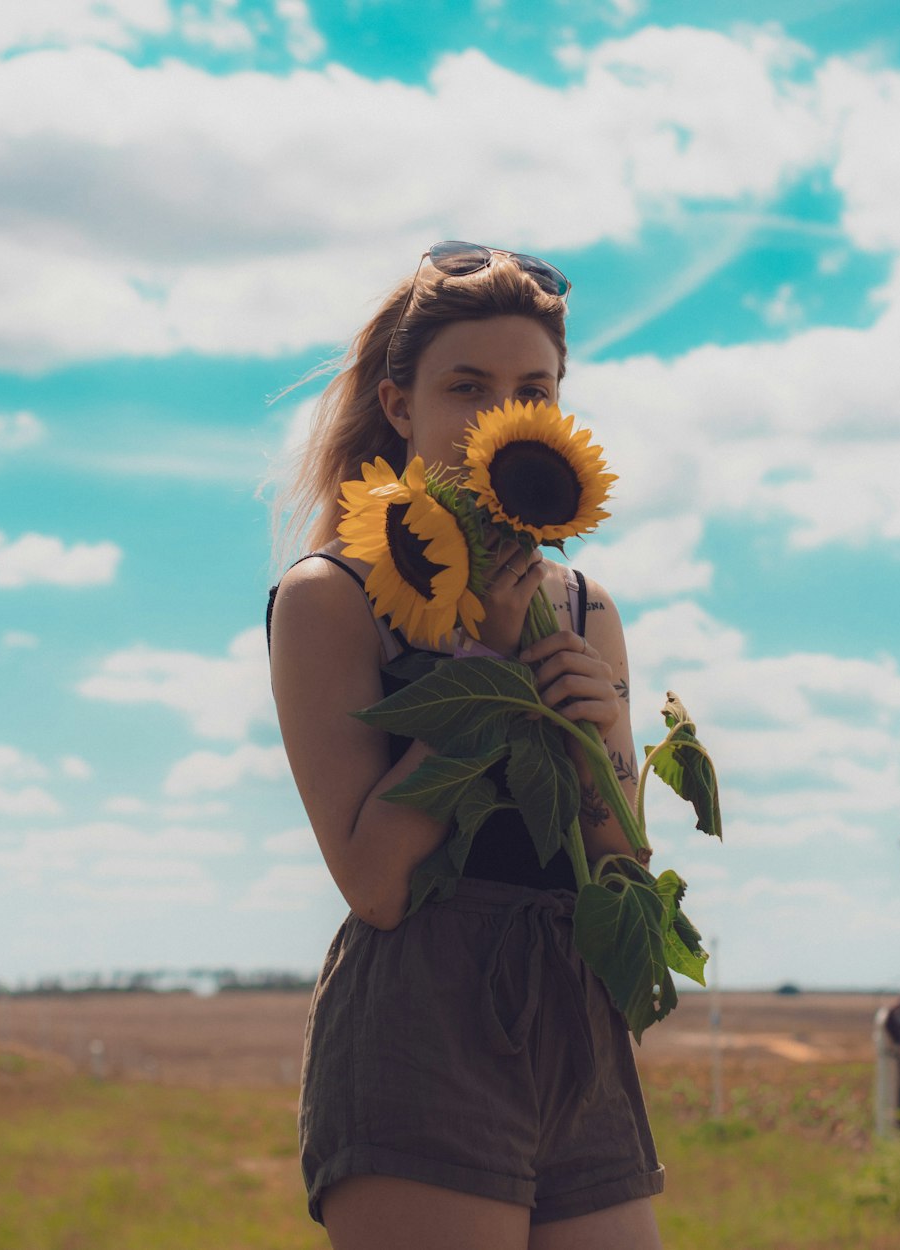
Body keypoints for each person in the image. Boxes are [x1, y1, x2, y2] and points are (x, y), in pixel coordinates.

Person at [267, 241, 664, 1250]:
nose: (501, 415)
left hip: (575, 1008)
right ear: (400, 405)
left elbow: (617, 860)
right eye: (467, 387)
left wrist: (602, 743)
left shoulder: (584, 604)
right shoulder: (335, 596)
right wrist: (481, 676)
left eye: (531, 388)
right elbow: (377, 882)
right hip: (421, 1014)